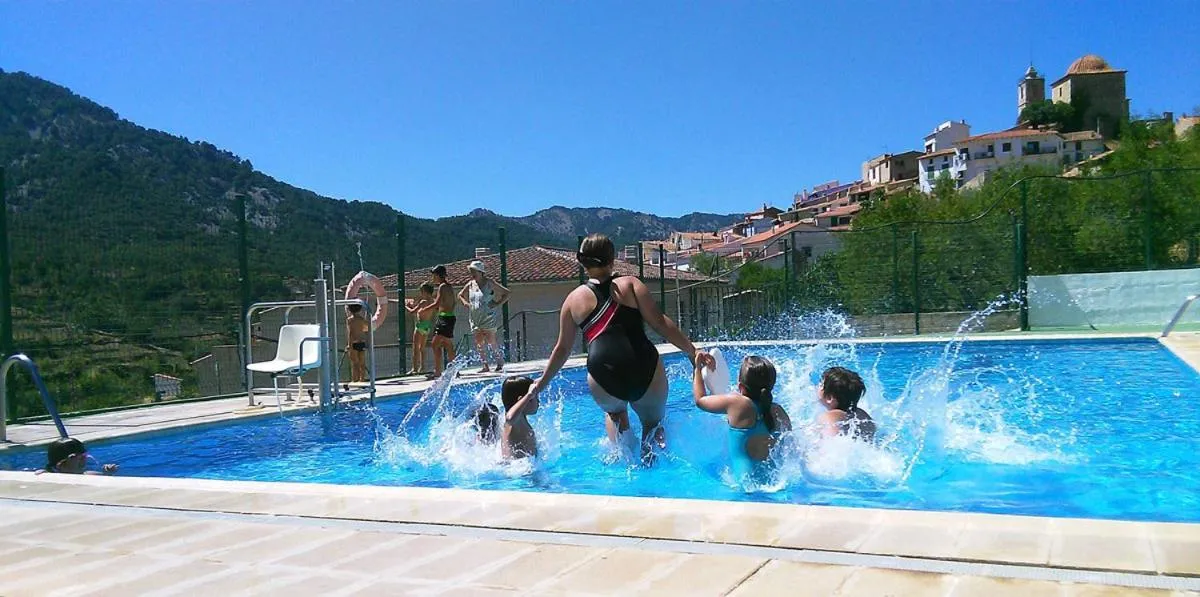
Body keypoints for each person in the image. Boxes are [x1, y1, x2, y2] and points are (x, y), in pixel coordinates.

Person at [521, 233, 712, 462]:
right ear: (613, 259)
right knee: (652, 424)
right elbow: (660, 323)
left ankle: (625, 462)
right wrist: (692, 351)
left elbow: (562, 349)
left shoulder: (572, 300)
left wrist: (540, 384)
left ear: (582, 262)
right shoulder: (630, 285)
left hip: (603, 378)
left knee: (615, 415)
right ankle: (650, 469)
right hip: (644, 367)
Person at [693, 355, 792, 481]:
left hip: (744, 483)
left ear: (741, 387)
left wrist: (697, 368)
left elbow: (700, 400)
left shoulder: (737, 404)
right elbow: (789, 447)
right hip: (775, 480)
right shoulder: (779, 412)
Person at [458, 261, 510, 374]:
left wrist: (497, 303)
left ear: (480, 272)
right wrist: (466, 303)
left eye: (474, 271)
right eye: (471, 271)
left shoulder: (489, 283)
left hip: (488, 316)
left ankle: (499, 361)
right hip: (475, 316)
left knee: (491, 339)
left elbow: (506, 293)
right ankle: (485, 365)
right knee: (479, 341)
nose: (472, 273)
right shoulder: (470, 284)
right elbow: (460, 295)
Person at [816, 366, 876, 442]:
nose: (817, 387)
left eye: (821, 385)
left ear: (829, 398)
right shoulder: (862, 415)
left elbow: (829, 443)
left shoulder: (829, 417)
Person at [428, 265, 458, 379]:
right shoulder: (449, 287)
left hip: (444, 318)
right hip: (449, 317)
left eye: (434, 275)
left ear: (438, 275)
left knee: (436, 343)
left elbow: (437, 303)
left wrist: (423, 309)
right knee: (446, 344)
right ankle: (454, 370)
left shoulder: (442, 287)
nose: (433, 278)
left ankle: (438, 371)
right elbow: (452, 303)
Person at [501, 376, 538, 460]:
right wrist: (529, 395)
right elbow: (510, 418)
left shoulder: (520, 417)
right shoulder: (515, 421)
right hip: (520, 467)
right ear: (522, 400)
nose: (538, 401)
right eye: (535, 397)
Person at [405, 283, 438, 376]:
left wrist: (406, 306)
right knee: (422, 348)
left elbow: (412, 312)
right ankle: (422, 367)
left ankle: (414, 368)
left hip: (420, 325)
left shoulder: (423, 302)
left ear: (425, 292)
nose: (421, 293)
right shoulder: (433, 301)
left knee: (415, 347)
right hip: (427, 325)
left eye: (422, 291)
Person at [38, 437, 118, 475]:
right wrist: (44, 475)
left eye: (84, 456)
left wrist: (108, 473)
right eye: (78, 457)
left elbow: (106, 479)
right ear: (60, 464)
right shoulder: (52, 477)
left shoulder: (88, 475)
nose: (84, 459)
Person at [345, 303, 370, 383]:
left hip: (354, 343)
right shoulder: (362, 319)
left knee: (354, 363)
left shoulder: (350, 320)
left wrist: (349, 345)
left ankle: (355, 380)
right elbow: (366, 330)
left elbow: (350, 333)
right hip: (361, 342)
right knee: (362, 363)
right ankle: (362, 379)